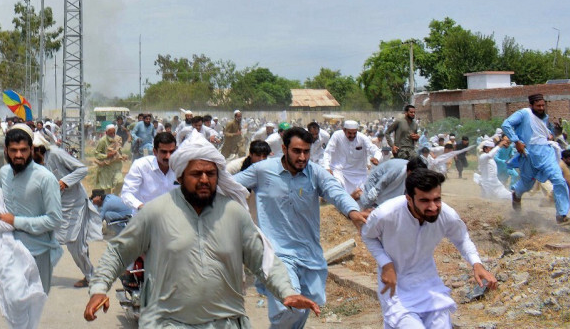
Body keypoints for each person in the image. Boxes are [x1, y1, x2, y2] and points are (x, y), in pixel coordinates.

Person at [84, 129, 321, 326]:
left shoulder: (234, 213)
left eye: (210, 173)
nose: (205, 180)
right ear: (180, 176)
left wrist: (286, 291)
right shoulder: (155, 212)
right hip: (167, 322)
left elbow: (264, 260)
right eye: (196, 174)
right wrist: (99, 287)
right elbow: (117, 252)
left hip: (225, 322)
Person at [234, 127, 367, 327]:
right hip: (277, 252)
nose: (302, 157)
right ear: (284, 148)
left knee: (309, 301)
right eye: (297, 151)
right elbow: (231, 186)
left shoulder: (315, 173)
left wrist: (353, 211)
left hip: (309, 253)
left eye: (306, 151)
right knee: (292, 302)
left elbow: (335, 191)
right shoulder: (263, 170)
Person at [361, 169, 497, 329]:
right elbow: (367, 236)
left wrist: (476, 263)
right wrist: (386, 264)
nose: (433, 207)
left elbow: (462, 239)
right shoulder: (385, 214)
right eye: (425, 200)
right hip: (395, 288)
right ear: (409, 199)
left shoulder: (447, 215)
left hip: (429, 285)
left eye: (437, 199)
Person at [0, 124, 63, 294]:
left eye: (23, 150)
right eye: (14, 150)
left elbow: (54, 219)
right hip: (10, 250)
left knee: (34, 306)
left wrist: (16, 221)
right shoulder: (4, 173)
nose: (19, 155)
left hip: (37, 253)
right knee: (12, 305)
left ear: (31, 150)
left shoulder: (45, 178)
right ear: (6, 150)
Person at [32, 132, 102, 288]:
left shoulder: (56, 154)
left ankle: (91, 277)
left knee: (76, 246)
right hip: (55, 206)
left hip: (74, 204)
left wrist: (65, 181)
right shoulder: (32, 163)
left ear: (37, 148)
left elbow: (82, 169)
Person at [502, 93, 570, 225]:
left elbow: (542, 132)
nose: (541, 108)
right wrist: (516, 141)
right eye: (538, 106)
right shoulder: (524, 113)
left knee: (558, 180)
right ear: (531, 105)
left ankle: (561, 215)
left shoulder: (544, 117)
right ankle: (516, 195)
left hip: (546, 153)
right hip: (528, 154)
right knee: (527, 185)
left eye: (542, 105)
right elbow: (506, 124)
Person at [121, 132, 179, 211]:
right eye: (164, 152)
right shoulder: (141, 166)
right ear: (155, 152)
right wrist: (142, 207)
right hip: (145, 218)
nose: (168, 156)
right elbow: (127, 194)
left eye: (172, 152)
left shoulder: (180, 168)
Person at [324, 120, 381, 194]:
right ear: (344, 130)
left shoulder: (362, 138)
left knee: (361, 197)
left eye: (354, 133)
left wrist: (376, 158)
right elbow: (328, 152)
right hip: (340, 171)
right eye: (349, 133)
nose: (352, 136)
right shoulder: (337, 135)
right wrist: (327, 167)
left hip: (359, 174)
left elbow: (375, 150)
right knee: (337, 190)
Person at [352, 157, 427, 210]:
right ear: (410, 170)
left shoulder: (414, 173)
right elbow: (383, 182)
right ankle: (360, 193)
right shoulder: (398, 169)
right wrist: (374, 194)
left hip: (389, 185)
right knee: (367, 202)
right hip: (376, 180)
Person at [94, 124, 127, 194]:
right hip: (106, 168)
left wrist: (122, 156)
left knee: (120, 182)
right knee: (106, 190)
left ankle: (114, 198)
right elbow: (96, 154)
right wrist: (107, 156)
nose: (112, 135)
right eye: (110, 133)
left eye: (114, 133)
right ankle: (108, 202)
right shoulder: (102, 141)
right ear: (106, 133)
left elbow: (119, 151)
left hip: (116, 167)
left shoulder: (118, 139)